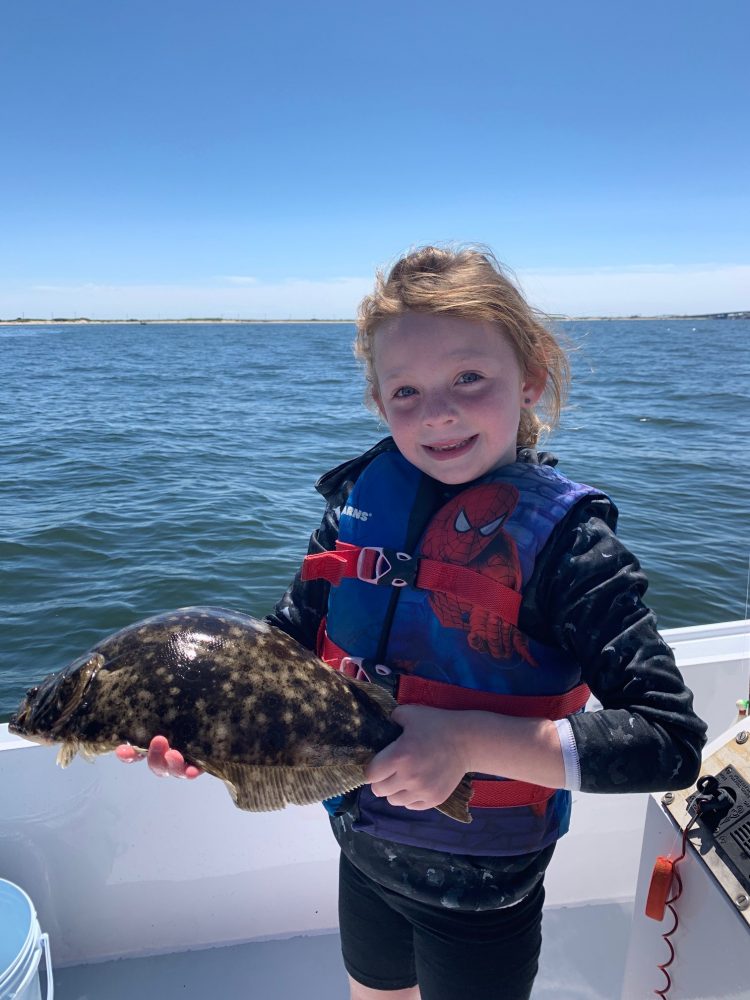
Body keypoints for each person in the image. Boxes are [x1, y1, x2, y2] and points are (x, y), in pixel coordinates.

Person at [118, 245, 707, 1000]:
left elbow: (670, 743)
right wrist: (190, 720)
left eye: (469, 378)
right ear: (378, 401)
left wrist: (463, 741)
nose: (437, 412)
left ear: (530, 378)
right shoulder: (353, 513)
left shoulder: (572, 548)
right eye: (405, 391)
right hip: (360, 850)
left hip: (485, 896)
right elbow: (282, 652)